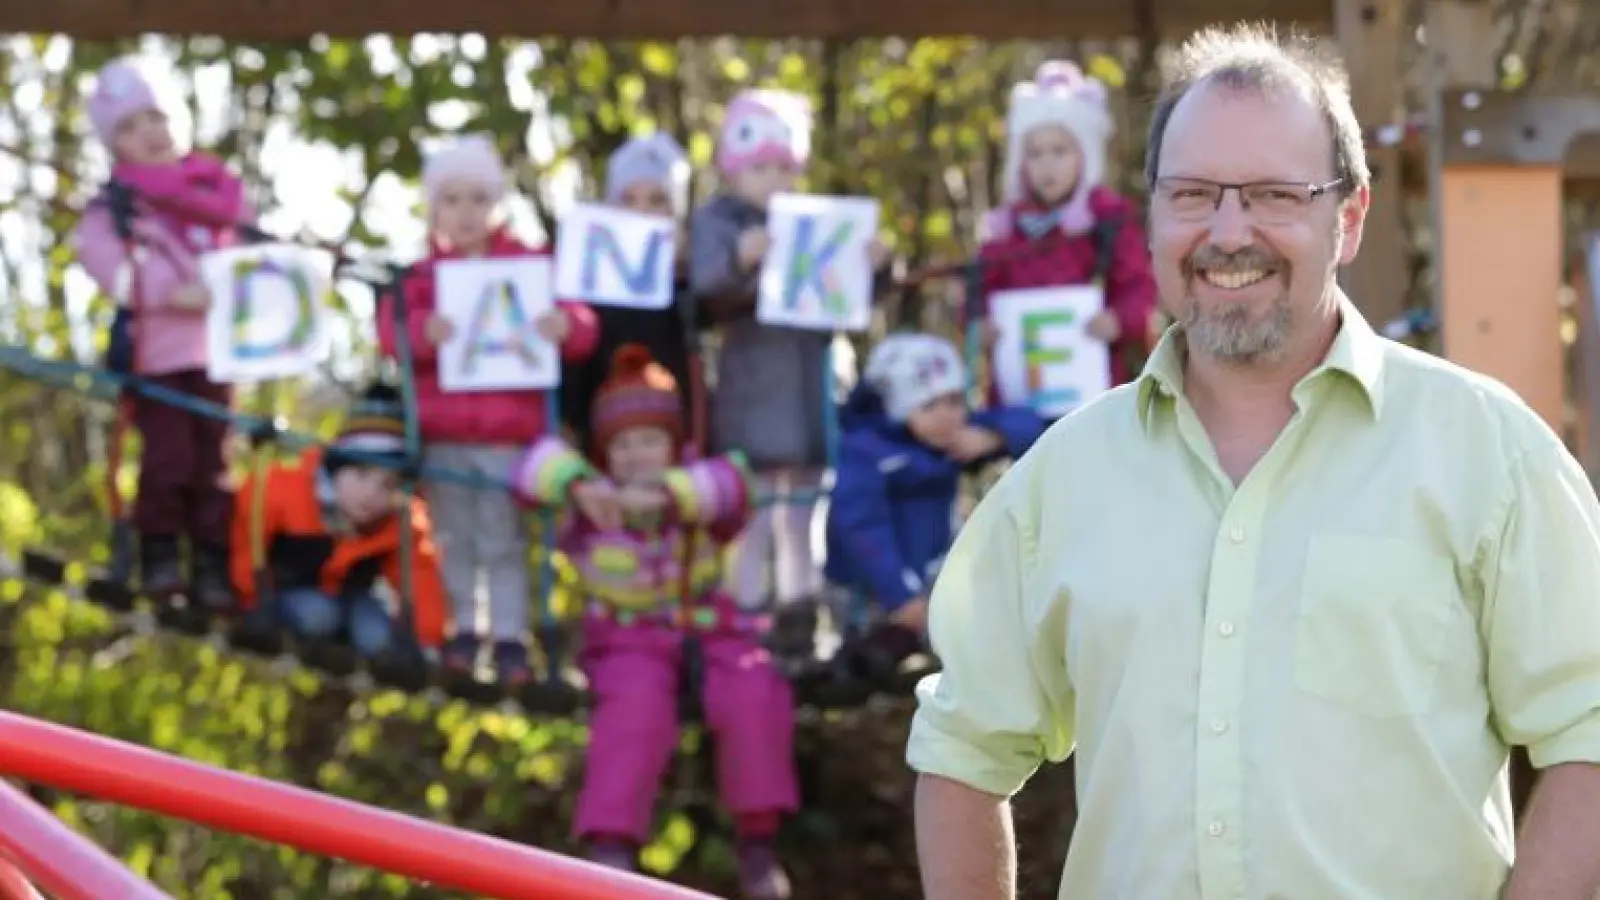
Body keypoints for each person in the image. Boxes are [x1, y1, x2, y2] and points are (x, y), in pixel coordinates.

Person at [909, 23, 1600, 900]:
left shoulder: (1487, 451)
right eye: (1194, 194)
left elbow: (1592, 730)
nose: (1229, 233)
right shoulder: (1063, 476)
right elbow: (962, 750)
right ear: (1152, 214)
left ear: (1349, 219)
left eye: (1275, 194)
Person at [511, 344, 798, 900]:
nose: (637, 455)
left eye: (649, 440)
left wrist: (671, 496)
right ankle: (611, 849)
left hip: (714, 630)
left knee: (755, 692)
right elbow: (527, 469)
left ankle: (758, 844)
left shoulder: (698, 485)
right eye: (622, 444)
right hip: (627, 640)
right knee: (633, 713)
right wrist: (577, 484)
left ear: (673, 444)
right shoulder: (591, 501)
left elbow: (738, 483)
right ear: (605, 453)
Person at [376, 134, 600, 685]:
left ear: (497, 203)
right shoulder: (420, 279)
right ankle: (463, 631)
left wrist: (565, 324)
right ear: (434, 210)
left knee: (502, 539)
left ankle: (509, 638)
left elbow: (582, 324)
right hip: (446, 433)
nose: (467, 212)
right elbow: (392, 335)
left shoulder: (529, 266)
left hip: (508, 436)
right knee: (453, 536)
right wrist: (423, 335)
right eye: (452, 200)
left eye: (478, 198)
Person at [690, 88, 888, 660]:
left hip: (808, 389)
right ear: (735, 167)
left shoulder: (817, 225)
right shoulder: (720, 223)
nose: (772, 178)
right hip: (750, 391)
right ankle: (745, 614)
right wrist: (740, 259)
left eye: (783, 166)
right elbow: (706, 289)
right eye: (760, 166)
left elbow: (852, 300)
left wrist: (874, 266)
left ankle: (801, 612)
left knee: (803, 511)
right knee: (751, 512)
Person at [72, 57, 253, 611]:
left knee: (214, 463)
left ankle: (213, 564)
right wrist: (168, 292)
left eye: (155, 117)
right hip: (159, 357)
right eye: (128, 127)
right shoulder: (118, 206)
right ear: (113, 146)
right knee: (168, 459)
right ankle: (159, 558)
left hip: (216, 357)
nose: (147, 133)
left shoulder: (215, 194)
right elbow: (100, 257)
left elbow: (252, 261)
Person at [824, 333, 1044, 683]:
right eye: (929, 405)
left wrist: (995, 436)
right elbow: (862, 528)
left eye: (955, 401)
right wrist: (899, 597)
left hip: (927, 580)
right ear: (897, 406)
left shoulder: (951, 441)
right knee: (879, 660)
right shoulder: (867, 452)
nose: (947, 416)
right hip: (870, 591)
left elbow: (1038, 426)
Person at [972, 60, 1158, 413]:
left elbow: (1138, 285)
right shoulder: (1005, 229)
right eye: (1035, 153)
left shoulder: (1106, 219)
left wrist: (1119, 320)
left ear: (1084, 156)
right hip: (1020, 394)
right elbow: (978, 293)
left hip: (1093, 387)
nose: (1047, 165)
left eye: (1060, 151)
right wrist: (979, 327)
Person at [228, 383, 449, 657]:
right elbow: (245, 547)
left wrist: (428, 641)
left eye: (388, 485)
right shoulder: (282, 491)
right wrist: (253, 602)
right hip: (287, 595)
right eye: (360, 475)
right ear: (335, 470)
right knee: (319, 615)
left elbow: (419, 578)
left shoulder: (402, 521)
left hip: (351, 597)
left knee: (378, 639)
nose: (371, 494)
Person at [560, 132, 697, 440]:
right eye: (629, 199)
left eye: (657, 200)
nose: (642, 211)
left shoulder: (691, 277)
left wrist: (682, 278)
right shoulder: (584, 283)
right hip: (603, 444)